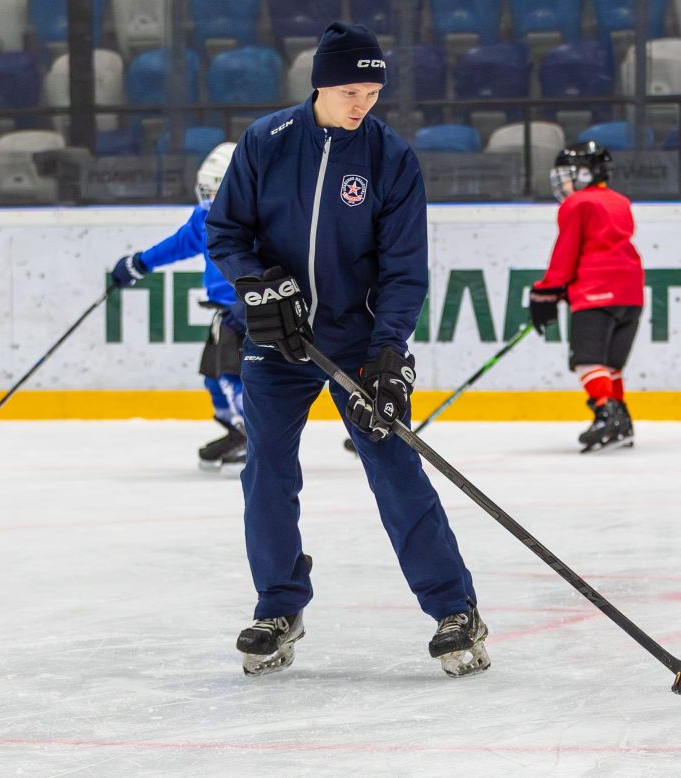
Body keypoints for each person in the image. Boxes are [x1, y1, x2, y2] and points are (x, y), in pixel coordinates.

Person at [205, 21, 489, 680]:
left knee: (393, 465)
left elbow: (403, 270)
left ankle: (454, 607)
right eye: (351, 90)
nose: (362, 103)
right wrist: (257, 286)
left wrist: (389, 354)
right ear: (320, 85)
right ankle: (278, 605)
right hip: (276, 342)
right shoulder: (266, 142)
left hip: (357, 342)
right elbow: (226, 232)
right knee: (266, 469)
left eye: (372, 91)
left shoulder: (390, 159)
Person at [110, 143, 246, 475]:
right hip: (225, 314)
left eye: (215, 189)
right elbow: (181, 243)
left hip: (253, 313)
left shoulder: (256, 219)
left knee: (234, 377)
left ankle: (257, 436)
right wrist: (140, 263)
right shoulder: (205, 217)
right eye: (206, 190)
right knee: (215, 380)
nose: (209, 197)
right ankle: (240, 432)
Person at [529, 140, 645, 454]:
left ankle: (606, 413)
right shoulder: (620, 201)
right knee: (611, 365)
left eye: (569, 174)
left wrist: (547, 290)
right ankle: (623, 422)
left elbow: (566, 252)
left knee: (587, 361)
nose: (563, 182)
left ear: (585, 174)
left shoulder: (577, 204)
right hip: (631, 293)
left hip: (596, 292)